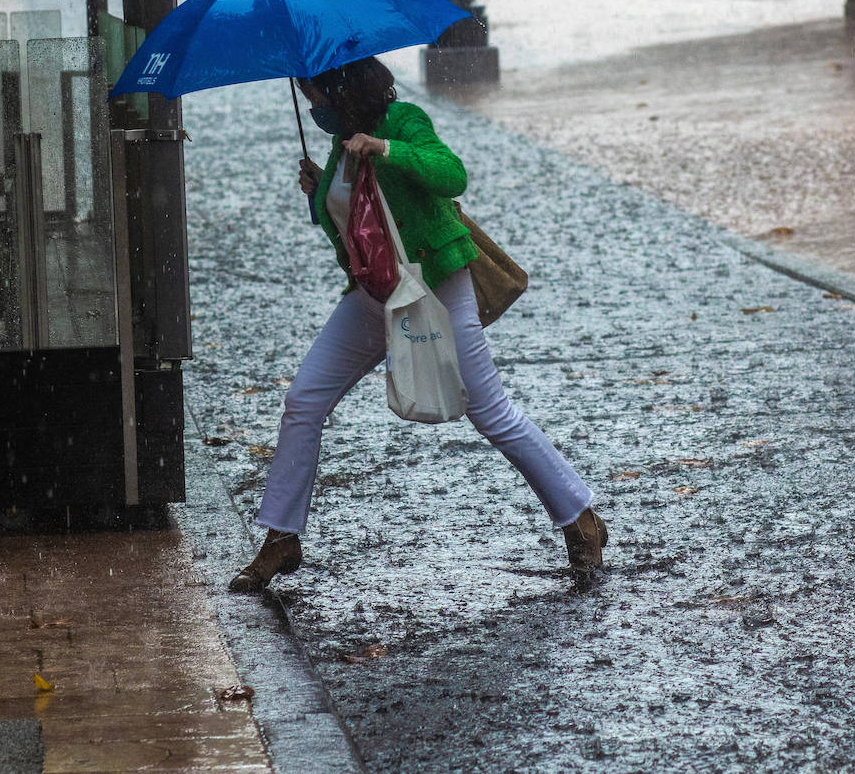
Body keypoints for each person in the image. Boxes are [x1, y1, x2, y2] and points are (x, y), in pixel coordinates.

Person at [228, 56, 607, 592]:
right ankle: (281, 536)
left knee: (490, 413)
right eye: (306, 95)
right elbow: (361, 229)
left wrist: (386, 150)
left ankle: (580, 518)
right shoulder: (339, 148)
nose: (312, 105)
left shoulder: (402, 122)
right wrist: (321, 193)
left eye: (314, 93)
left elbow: (452, 175)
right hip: (373, 295)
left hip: (435, 287)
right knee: (305, 399)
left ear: (342, 90)